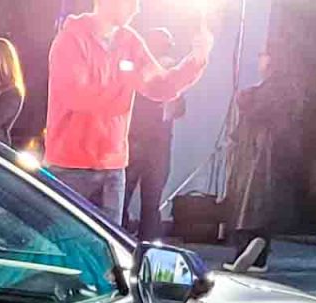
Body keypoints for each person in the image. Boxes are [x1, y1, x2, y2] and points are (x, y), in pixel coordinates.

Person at [45, 0, 211, 223]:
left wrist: (196, 59)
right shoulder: (71, 40)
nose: (136, 9)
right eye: (130, 2)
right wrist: (125, 79)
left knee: (108, 242)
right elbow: (77, 96)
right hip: (70, 167)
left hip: (113, 168)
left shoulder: (130, 42)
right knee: (65, 240)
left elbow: (160, 86)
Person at [226, 52, 298, 271]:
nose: (260, 59)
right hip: (264, 151)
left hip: (260, 152)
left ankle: (249, 252)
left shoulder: (275, 89)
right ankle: (257, 255)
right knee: (258, 206)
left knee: (252, 204)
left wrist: (243, 99)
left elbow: (258, 110)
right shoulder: (283, 89)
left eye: (263, 56)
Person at [124, 28, 187, 241]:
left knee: (150, 202)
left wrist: (172, 86)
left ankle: (146, 242)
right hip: (138, 142)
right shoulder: (139, 71)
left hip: (157, 145)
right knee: (126, 195)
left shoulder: (170, 75)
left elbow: (179, 109)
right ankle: (123, 238)